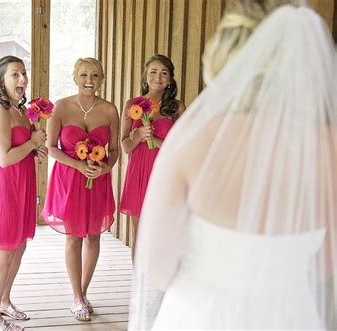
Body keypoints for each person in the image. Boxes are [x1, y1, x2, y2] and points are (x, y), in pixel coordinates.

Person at [129, 0, 336, 330]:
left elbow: (155, 266)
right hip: (292, 316)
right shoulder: (329, 146)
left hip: (203, 316)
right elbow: (327, 265)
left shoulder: (193, 139)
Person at [42, 58, 119, 321]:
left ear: (101, 79)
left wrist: (107, 167)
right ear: (75, 77)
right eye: (84, 74)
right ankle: (76, 296)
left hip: (97, 179)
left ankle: (84, 292)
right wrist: (76, 164)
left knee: (94, 236)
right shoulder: (61, 107)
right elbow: (52, 147)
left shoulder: (110, 110)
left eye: (95, 75)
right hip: (69, 178)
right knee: (73, 237)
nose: (89, 79)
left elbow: (116, 149)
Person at [0, 55, 47, 331]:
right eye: (14, 75)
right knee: (4, 252)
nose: (22, 79)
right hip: (3, 184)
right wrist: (31, 143)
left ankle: (3, 301)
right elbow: (4, 158)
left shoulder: (20, 109)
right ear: (0, 80)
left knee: (19, 245)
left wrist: (35, 146)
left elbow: (26, 145)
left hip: (21, 182)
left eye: (23, 73)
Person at [119, 54, 185, 262]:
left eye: (164, 73)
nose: (158, 77)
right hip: (138, 172)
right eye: (153, 72)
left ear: (170, 79)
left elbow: (182, 147)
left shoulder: (177, 107)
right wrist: (138, 136)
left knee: (163, 232)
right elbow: (125, 146)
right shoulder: (132, 104)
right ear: (145, 76)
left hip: (164, 173)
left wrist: (154, 140)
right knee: (139, 234)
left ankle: (162, 284)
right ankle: (140, 282)